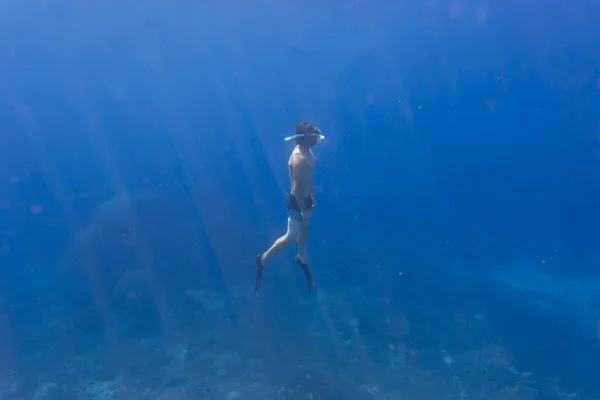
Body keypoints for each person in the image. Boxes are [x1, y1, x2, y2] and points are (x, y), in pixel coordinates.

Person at [254, 122, 326, 299]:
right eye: (313, 135)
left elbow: (309, 180)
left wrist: (313, 197)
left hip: (306, 199)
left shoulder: (306, 151)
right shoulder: (298, 159)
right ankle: (262, 259)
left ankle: (302, 258)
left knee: (304, 229)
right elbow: (297, 188)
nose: (317, 138)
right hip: (298, 202)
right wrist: (303, 209)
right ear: (305, 138)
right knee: (292, 235)